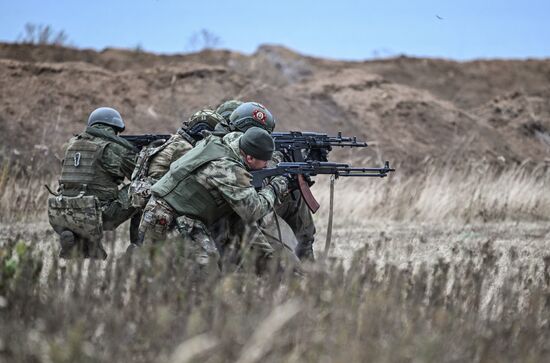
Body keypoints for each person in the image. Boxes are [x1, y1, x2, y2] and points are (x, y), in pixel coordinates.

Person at [143, 127, 290, 273]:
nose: (266, 166)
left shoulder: (230, 141)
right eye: (265, 162)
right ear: (250, 158)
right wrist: (275, 187)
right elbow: (253, 211)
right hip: (169, 219)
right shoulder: (228, 169)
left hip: (165, 211)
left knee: (162, 272)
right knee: (204, 276)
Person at [224, 102, 317, 261]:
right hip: (238, 215)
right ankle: (298, 267)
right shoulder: (228, 150)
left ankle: (307, 261)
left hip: (247, 210)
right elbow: (253, 188)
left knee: (295, 196)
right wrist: (276, 171)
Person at [47, 107, 138, 259]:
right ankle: (139, 246)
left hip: (66, 212)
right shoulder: (114, 147)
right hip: (99, 213)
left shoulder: (72, 143)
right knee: (145, 189)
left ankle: (78, 242)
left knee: (87, 196)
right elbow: (137, 173)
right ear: (114, 128)